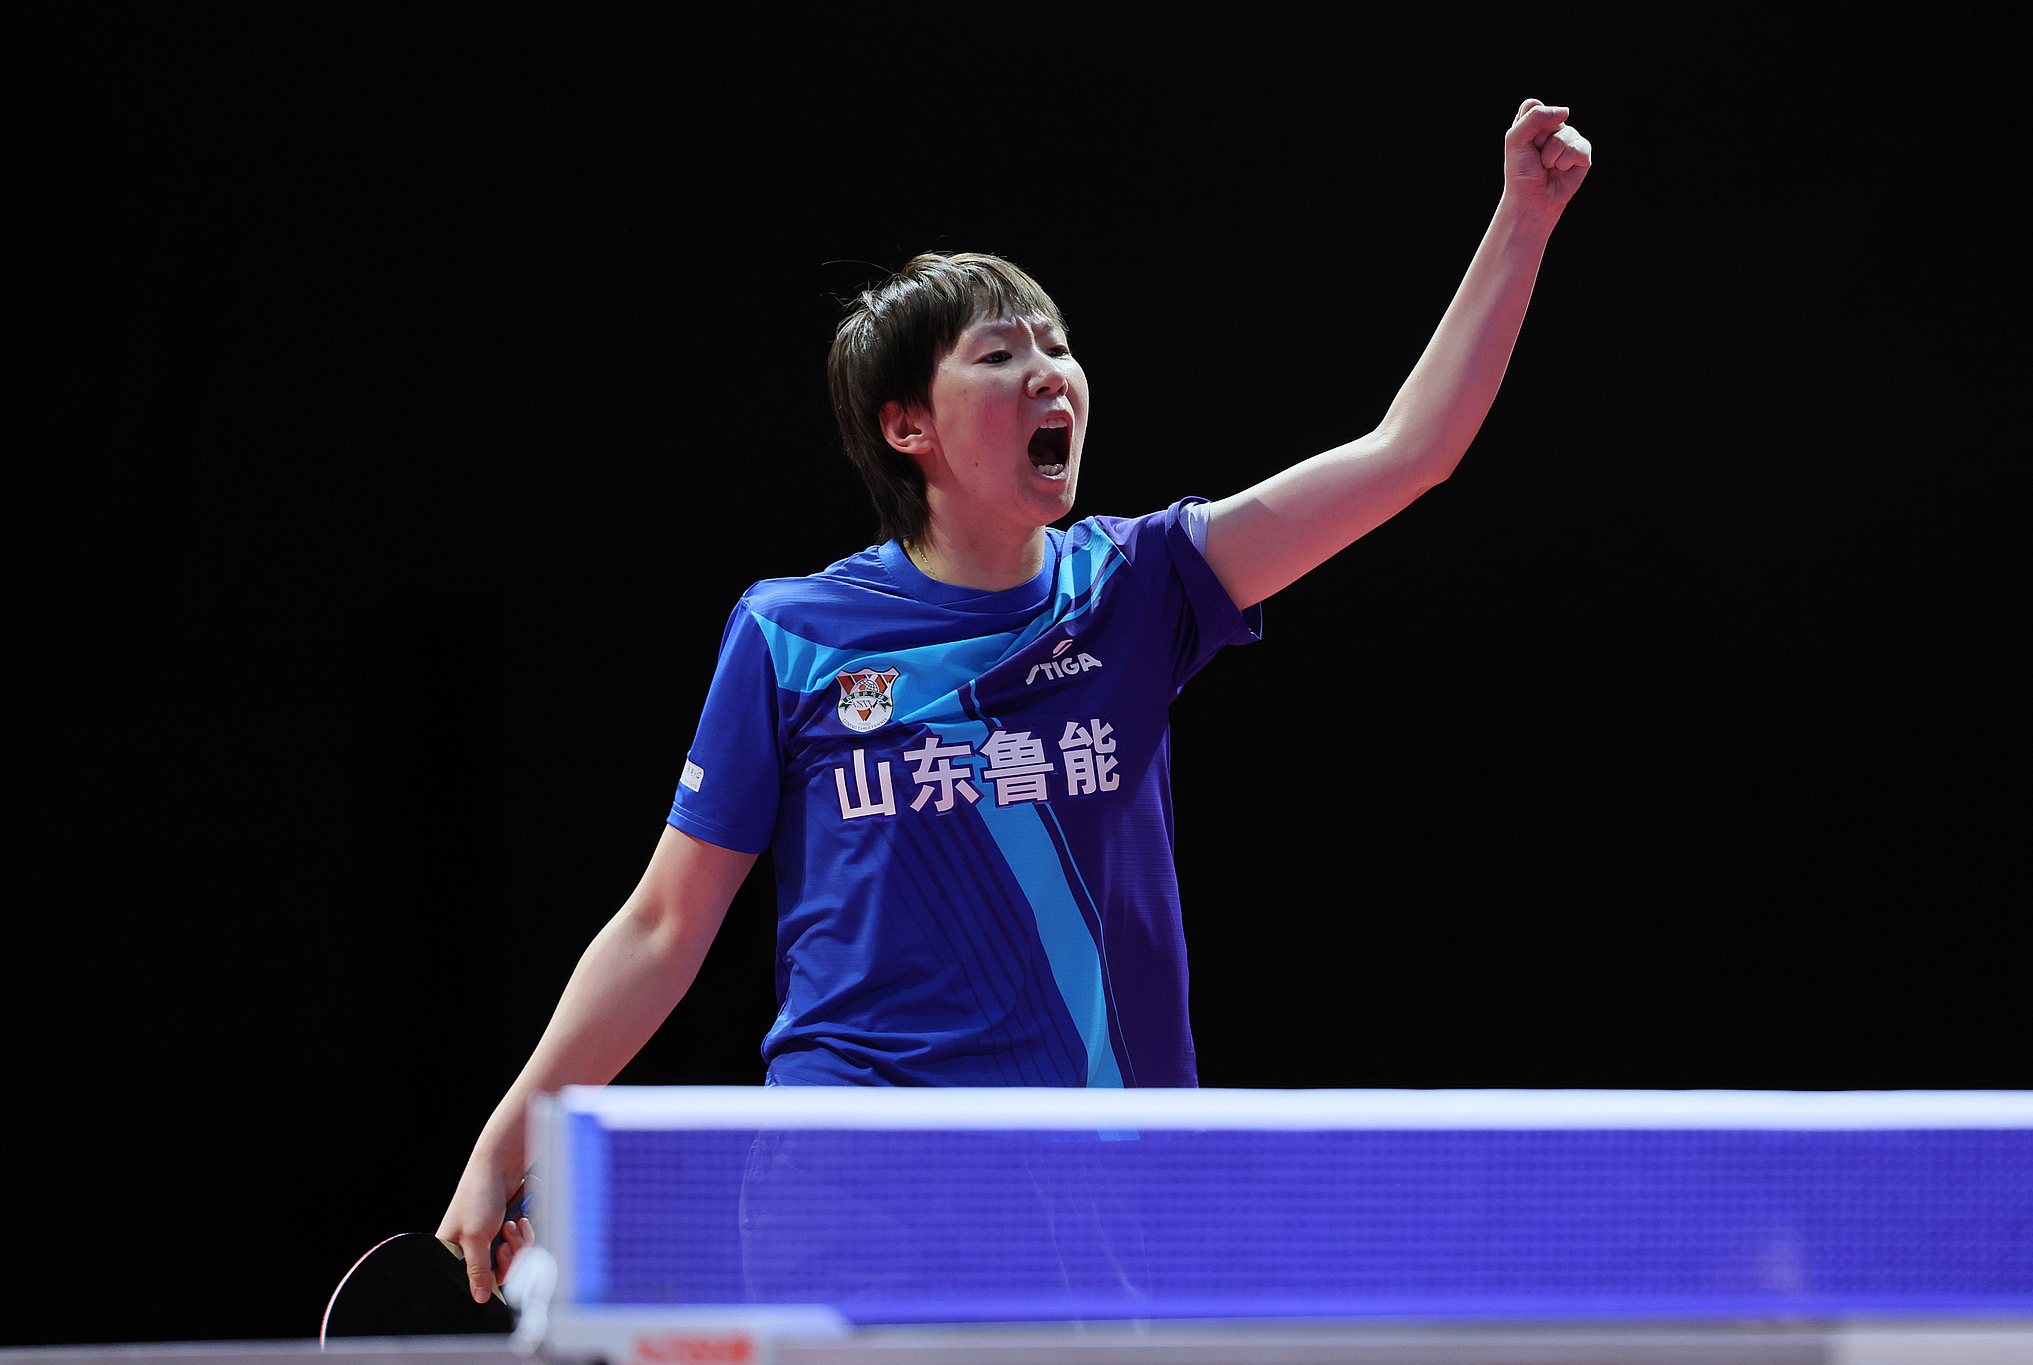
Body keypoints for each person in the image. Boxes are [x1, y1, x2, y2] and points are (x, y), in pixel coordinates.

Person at [439, 99, 1592, 1301]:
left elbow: (1409, 451)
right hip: (858, 1168)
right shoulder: (791, 634)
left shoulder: (1141, 587)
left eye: (1054, 344)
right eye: (998, 353)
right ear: (906, 427)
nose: (1048, 369)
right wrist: (505, 1139)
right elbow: (665, 926)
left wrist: (1521, 219)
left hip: (1109, 1171)